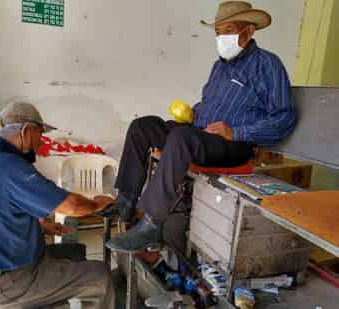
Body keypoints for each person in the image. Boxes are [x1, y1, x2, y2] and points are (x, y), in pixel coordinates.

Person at [104, 1, 297, 252]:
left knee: (182, 138)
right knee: (144, 125)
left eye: (228, 30)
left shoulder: (268, 65)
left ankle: (151, 224)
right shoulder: (220, 66)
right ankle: (126, 202)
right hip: (202, 135)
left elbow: (284, 118)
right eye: (218, 32)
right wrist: (194, 113)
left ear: (248, 31)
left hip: (234, 144)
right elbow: (210, 104)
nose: (221, 38)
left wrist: (235, 131)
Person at [0, 102, 115, 308]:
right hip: (8, 281)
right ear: (26, 131)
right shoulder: (11, 167)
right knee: (100, 276)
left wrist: (41, 227)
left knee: (75, 251)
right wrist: (96, 205)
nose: (40, 143)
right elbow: (70, 205)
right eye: (40, 135)